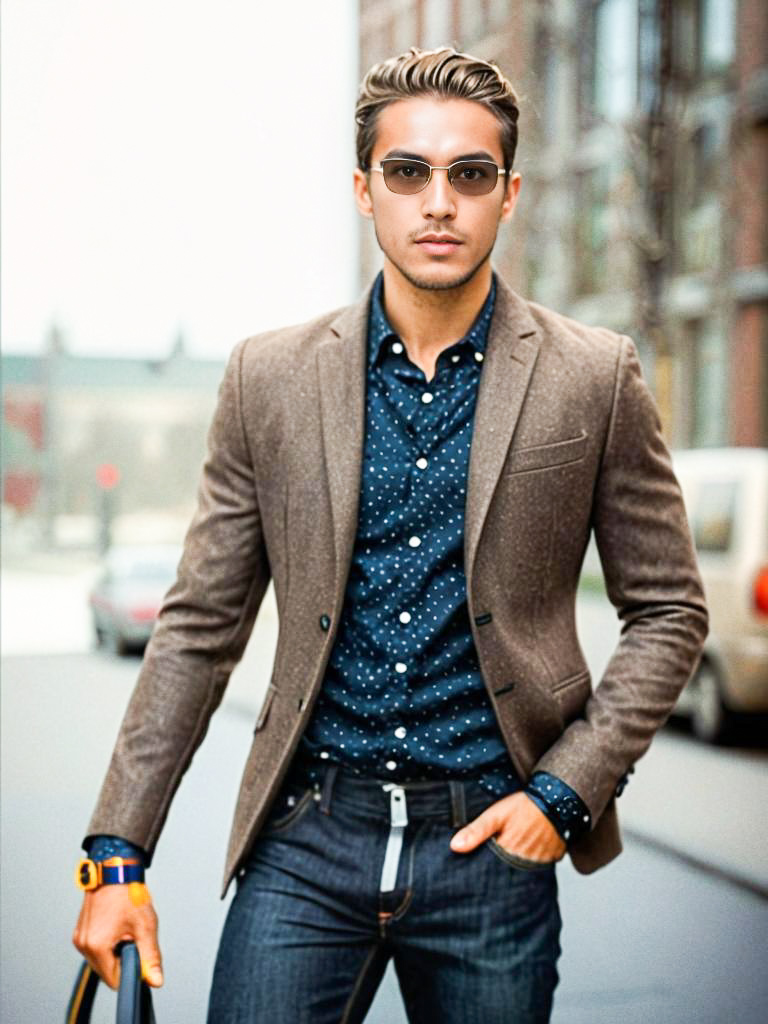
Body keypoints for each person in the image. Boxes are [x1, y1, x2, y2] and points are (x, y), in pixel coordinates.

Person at [72, 46, 708, 1023]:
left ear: (510, 194)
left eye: (470, 174)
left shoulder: (594, 375)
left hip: (490, 851)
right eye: (408, 172)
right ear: (366, 190)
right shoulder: (268, 378)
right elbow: (198, 625)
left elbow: (668, 609)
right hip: (308, 838)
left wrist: (563, 794)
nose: (439, 201)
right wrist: (117, 851)